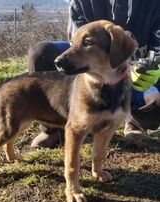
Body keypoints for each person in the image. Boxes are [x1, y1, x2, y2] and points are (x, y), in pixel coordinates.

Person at [28, 0, 160, 147]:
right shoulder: (80, 3)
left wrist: (154, 68)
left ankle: (136, 122)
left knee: (155, 97)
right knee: (41, 53)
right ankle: (54, 129)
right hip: (95, 70)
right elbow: (76, 47)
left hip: (142, 72)